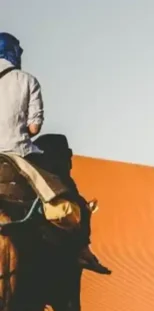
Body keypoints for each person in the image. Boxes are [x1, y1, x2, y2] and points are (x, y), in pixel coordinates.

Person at [0, 32, 110, 274]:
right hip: (19, 154)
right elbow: (34, 128)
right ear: (13, 53)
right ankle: (82, 249)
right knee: (67, 194)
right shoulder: (26, 80)